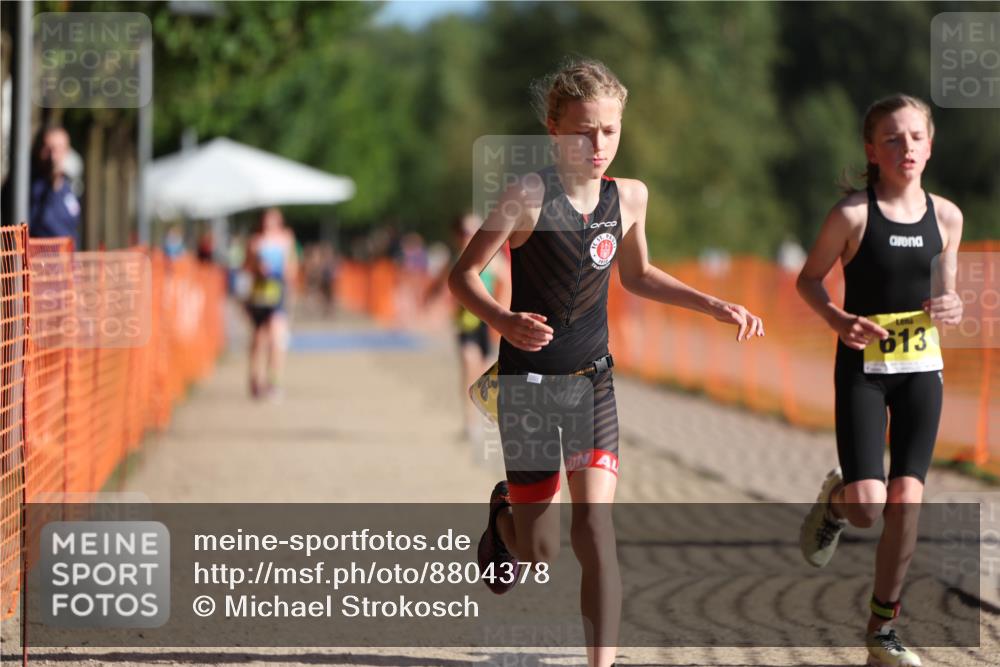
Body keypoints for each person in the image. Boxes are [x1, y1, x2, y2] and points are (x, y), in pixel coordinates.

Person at [448, 58, 764, 667]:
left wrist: (711, 303)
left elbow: (639, 275)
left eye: (610, 131)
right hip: (531, 388)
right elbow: (461, 276)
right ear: (554, 127)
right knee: (540, 551)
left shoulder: (632, 197)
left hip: (593, 382)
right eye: (584, 131)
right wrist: (502, 319)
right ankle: (505, 518)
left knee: (595, 529)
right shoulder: (526, 197)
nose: (599, 145)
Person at [796, 94, 963, 667]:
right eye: (892, 138)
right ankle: (835, 505)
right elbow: (809, 281)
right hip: (865, 371)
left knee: (906, 504)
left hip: (921, 372)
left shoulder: (947, 216)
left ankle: (881, 630)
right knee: (869, 506)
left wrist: (951, 307)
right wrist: (839, 319)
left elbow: (947, 291)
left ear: (931, 144)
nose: (906, 148)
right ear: (872, 150)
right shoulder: (852, 216)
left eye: (915, 136)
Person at [427, 213, 511, 442]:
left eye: (473, 232)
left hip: (489, 324)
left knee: (484, 376)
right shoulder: (456, 259)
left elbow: (507, 281)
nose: (467, 237)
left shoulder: (493, 259)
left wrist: (503, 314)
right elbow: (439, 284)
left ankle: (486, 420)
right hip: (466, 323)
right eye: (464, 232)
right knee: (468, 364)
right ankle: (470, 423)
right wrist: (430, 304)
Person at [244, 208, 298, 401]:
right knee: (259, 339)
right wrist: (258, 267)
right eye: (267, 220)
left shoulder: (286, 239)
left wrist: (285, 271)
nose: (270, 224)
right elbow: (246, 266)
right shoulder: (255, 241)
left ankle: (274, 381)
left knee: (277, 339)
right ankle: (254, 378)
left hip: (278, 294)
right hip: (258, 295)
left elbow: (293, 267)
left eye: (274, 220)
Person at [29, 126, 81, 246]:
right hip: (39, 262)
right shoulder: (28, 187)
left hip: (67, 262)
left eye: (59, 149)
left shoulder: (68, 187)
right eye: (48, 150)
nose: (53, 157)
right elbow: (39, 222)